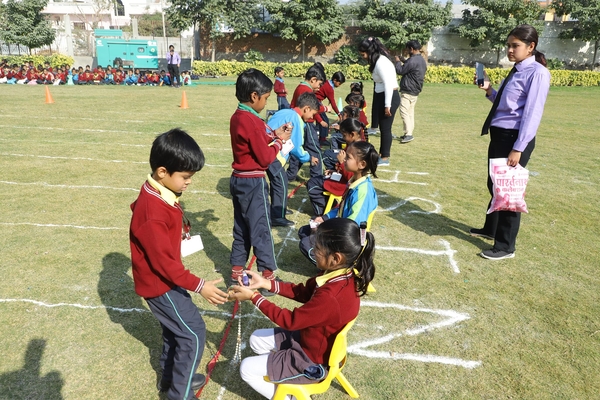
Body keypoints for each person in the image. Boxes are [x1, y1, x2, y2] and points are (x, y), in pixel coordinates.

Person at [129, 128, 229, 400]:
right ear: (162, 172)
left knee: (176, 331)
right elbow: (164, 264)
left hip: (165, 280)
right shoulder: (153, 210)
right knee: (193, 333)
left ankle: (172, 378)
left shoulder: (157, 191)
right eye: (185, 177)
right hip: (160, 285)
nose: (189, 182)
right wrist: (200, 285)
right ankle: (179, 394)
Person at [229, 217, 376, 400]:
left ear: (336, 258)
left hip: (311, 361)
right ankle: (282, 371)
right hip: (307, 341)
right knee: (256, 339)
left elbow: (290, 321)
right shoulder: (339, 273)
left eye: (317, 248)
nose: (313, 250)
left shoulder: (332, 296)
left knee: (247, 368)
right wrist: (266, 283)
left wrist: (254, 297)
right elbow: (303, 292)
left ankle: (289, 396)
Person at [469, 24, 551, 260]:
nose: (510, 50)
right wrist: (489, 91)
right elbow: (507, 106)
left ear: (531, 46)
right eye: (508, 45)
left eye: (515, 46)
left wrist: (518, 147)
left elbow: (532, 114)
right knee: (495, 184)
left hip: (514, 139)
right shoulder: (517, 70)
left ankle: (505, 247)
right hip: (500, 135)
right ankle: (491, 229)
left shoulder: (537, 73)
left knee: (508, 191)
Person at [229, 68, 292, 294]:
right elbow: (265, 158)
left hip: (238, 179)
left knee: (242, 227)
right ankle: (267, 276)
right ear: (254, 96)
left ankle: (237, 271)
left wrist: (274, 134)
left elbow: (258, 138)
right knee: (261, 228)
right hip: (253, 183)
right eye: (265, 98)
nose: (266, 103)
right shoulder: (252, 121)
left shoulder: (239, 116)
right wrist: (280, 142)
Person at [299, 141, 379, 264]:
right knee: (304, 231)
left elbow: (353, 226)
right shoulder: (353, 181)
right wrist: (324, 218)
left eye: (348, 157)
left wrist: (328, 230)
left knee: (306, 244)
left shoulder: (363, 191)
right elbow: (341, 207)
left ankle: (341, 267)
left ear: (362, 164)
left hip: (349, 240)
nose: (344, 159)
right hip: (342, 229)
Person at [266, 92, 320, 227]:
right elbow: (296, 146)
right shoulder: (296, 120)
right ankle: (277, 216)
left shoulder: (285, 112)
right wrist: (309, 157)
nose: (312, 117)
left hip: (267, 149)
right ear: (306, 109)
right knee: (281, 183)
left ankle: (279, 209)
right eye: (312, 114)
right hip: (273, 153)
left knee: (279, 182)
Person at [307, 118, 365, 216]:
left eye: (344, 135)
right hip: (342, 179)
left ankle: (323, 213)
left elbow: (351, 177)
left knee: (312, 184)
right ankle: (330, 206)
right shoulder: (354, 145)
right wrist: (334, 170)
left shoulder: (357, 150)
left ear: (352, 134)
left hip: (345, 184)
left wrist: (341, 162)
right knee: (317, 179)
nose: (343, 138)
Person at [358, 37, 400, 166]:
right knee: (383, 128)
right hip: (383, 96)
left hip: (390, 96)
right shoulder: (377, 61)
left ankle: (385, 157)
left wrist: (387, 105)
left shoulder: (381, 63)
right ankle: (382, 155)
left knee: (386, 128)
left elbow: (388, 84)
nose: (363, 57)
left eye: (363, 54)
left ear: (369, 51)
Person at [287, 64, 327, 181]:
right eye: (319, 84)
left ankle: (289, 175)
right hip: (307, 123)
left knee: (299, 150)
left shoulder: (301, 87)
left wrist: (319, 120)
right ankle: (317, 178)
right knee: (315, 150)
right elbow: (313, 108)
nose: (319, 88)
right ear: (313, 79)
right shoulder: (306, 90)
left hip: (302, 122)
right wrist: (325, 108)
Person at [395, 39, 427, 144]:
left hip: (408, 90)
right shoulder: (421, 60)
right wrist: (403, 60)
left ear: (412, 49)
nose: (407, 51)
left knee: (404, 111)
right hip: (415, 90)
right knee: (410, 113)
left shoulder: (412, 60)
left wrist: (397, 62)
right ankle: (408, 132)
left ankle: (408, 134)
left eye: (408, 49)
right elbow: (410, 66)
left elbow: (400, 70)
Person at [315, 71, 346, 142]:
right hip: (316, 101)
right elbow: (333, 102)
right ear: (335, 80)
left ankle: (318, 133)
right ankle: (322, 139)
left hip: (316, 100)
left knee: (319, 118)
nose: (339, 85)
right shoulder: (329, 88)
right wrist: (338, 113)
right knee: (324, 120)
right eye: (339, 83)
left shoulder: (326, 82)